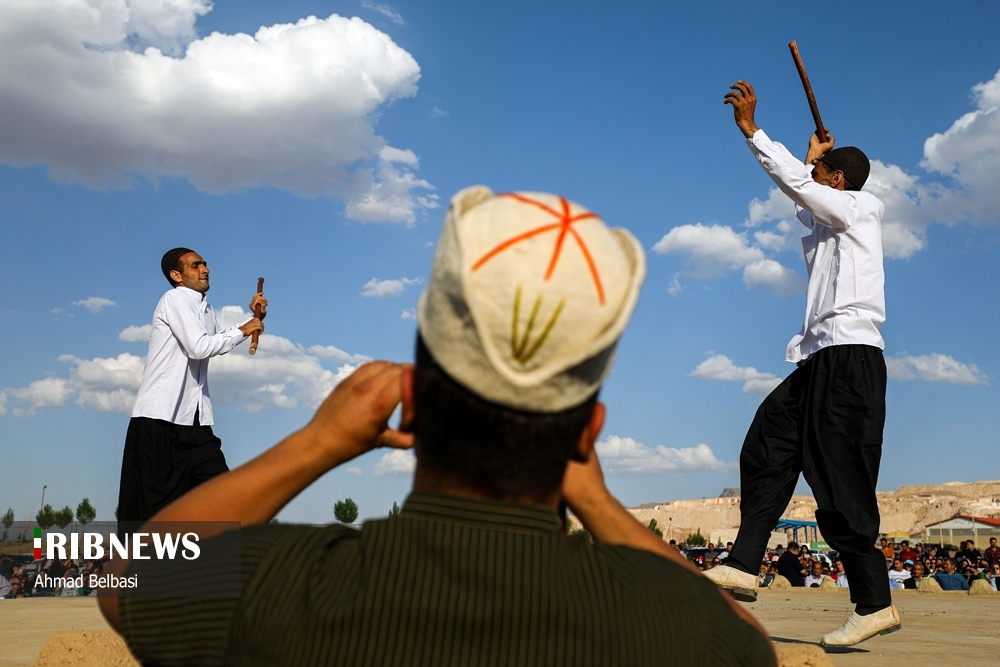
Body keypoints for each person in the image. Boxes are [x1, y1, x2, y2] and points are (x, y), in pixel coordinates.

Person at [98, 188, 776, 666]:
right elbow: (745, 638)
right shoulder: (667, 622)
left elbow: (125, 580)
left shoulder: (290, 584)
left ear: (410, 406)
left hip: (190, 428)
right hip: (166, 420)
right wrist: (594, 497)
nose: (202, 270)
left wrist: (316, 440)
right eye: (195, 265)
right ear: (587, 433)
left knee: (138, 534)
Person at [706, 80, 897, 647]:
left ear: (839, 181)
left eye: (823, 174)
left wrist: (754, 133)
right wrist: (811, 157)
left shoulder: (861, 208)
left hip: (850, 361)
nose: (814, 181)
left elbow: (799, 185)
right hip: (817, 360)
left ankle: (874, 603)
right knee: (766, 445)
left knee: (839, 483)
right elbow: (803, 196)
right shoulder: (829, 218)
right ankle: (743, 563)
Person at [116, 248, 266, 525]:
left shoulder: (205, 308)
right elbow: (198, 347)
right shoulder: (174, 299)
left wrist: (251, 321)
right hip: (158, 422)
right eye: (196, 265)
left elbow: (215, 341)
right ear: (177, 275)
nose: (205, 269)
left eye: (205, 264)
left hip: (196, 425)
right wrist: (243, 330)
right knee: (151, 517)